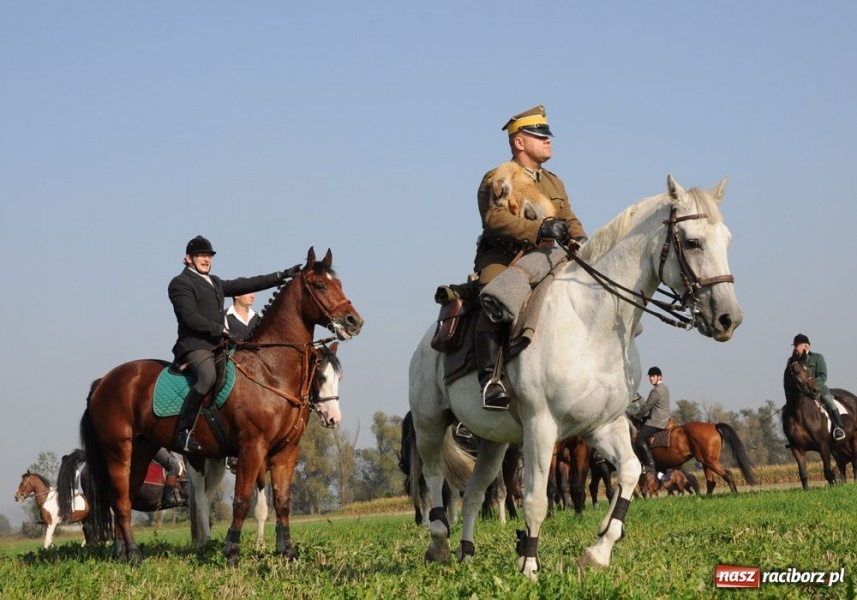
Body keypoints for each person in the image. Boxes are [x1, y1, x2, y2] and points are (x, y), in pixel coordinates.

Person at [474, 105, 588, 410]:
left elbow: (569, 218)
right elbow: (495, 220)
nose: (548, 140)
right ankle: (490, 380)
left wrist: (583, 242)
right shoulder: (499, 177)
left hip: (550, 256)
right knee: (497, 294)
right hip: (505, 254)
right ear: (519, 142)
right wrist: (539, 228)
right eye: (539, 135)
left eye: (547, 134)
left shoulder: (554, 182)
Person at [168, 235, 301, 452]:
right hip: (195, 346)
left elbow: (248, 283)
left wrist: (282, 276)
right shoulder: (180, 283)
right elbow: (188, 317)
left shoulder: (216, 282)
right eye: (201, 255)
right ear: (188, 258)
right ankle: (182, 433)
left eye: (209, 256)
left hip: (220, 346)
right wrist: (220, 329)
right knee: (208, 377)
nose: (206, 259)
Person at [790, 333, 845, 441]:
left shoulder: (817, 358)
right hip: (801, 392)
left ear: (806, 346)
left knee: (830, 402)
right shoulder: (792, 362)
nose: (795, 348)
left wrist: (812, 386)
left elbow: (823, 376)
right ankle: (793, 436)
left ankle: (838, 427)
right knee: (790, 408)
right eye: (795, 345)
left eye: (797, 345)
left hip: (817, 389)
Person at [633, 366, 671, 476]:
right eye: (650, 376)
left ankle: (649, 464)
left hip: (657, 421)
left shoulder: (656, 391)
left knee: (639, 438)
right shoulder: (665, 388)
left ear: (659, 377)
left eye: (653, 376)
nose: (651, 378)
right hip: (664, 418)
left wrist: (638, 416)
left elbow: (647, 406)